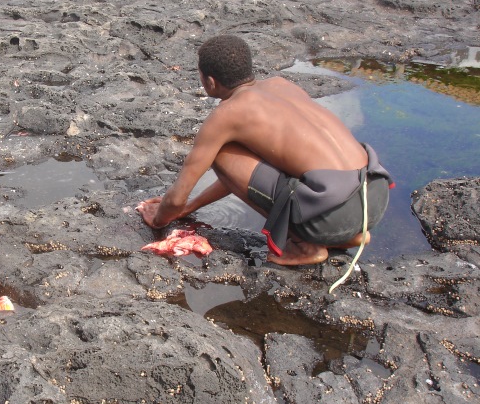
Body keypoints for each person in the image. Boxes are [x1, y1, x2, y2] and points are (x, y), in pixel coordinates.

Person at [137, 34, 393, 266]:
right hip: (373, 196)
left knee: (220, 152)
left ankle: (306, 245)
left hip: (334, 212)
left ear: (210, 82)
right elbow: (246, 177)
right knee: (277, 163)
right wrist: (190, 208)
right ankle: (349, 235)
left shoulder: (228, 114)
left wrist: (159, 219)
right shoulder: (282, 85)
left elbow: (178, 196)